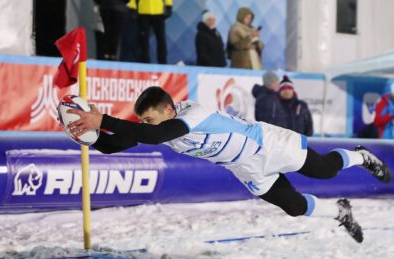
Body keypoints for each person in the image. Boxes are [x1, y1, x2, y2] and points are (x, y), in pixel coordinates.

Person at [65, 86, 393, 244]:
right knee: (294, 207)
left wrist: (104, 118)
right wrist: (89, 134)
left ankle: (361, 156)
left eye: (149, 118)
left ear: (168, 109)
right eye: (144, 121)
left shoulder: (192, 113)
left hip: (266, 144)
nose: (146, 125)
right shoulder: (160, 126)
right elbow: (113, 145)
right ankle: (341, 212)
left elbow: (156, 135)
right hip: (245, 167)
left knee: (324, 170)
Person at [127, 0, 172, 64]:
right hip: (143, 12)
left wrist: (168, 6)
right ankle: (144, 61)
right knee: (143, 38)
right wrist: (132, 7)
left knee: (161, 38)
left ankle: (163, 61)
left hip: (158, 12)